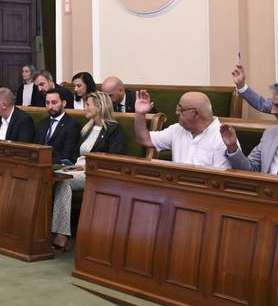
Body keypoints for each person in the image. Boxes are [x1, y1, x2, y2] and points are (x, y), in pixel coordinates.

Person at [51, 91, 126, 251]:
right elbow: (76, 153)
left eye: (88, 105)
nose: (84, 108)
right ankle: (51, 232)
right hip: (76, 168)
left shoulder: (114, 129)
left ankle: (62, 235)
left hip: (96, 172)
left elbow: (114, 159)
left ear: (99, 107)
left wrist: (85, 166)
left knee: (63, 182)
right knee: (49, 177)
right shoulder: (88, 128)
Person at [134, 90, 228, 169]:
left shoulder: (222, 138)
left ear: (195, 114)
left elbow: (221, 181)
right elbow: (144, 139)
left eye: (181, 110)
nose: (177, 113)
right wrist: (140, 114)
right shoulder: (177, 129)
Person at [35, 91, 80, 164]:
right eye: (47, 103)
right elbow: (35, 146)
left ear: (64, 103)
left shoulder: (72, 125)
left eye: (54, 103)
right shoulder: (42, 123)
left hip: (58, 166)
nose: (50, 107)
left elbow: (67, 156)